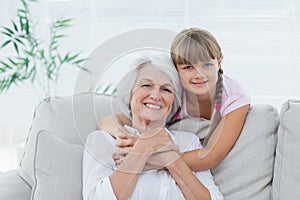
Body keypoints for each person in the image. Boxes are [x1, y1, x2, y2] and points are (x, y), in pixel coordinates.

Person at [99, 28, 251, 172]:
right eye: (188, 67)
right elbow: (108, 120)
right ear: (176, 70)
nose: (199, 75)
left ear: (219, 62)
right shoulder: (172, 95)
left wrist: (146, 161)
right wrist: (123, 136)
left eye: (206, 65)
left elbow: (211, 156)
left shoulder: (234, 96)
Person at [82, 53, 224, 200]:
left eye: (166, 89)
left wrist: (170, 160)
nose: (156, 96)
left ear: (174, 101)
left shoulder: (188, 142)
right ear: (130, 94)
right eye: (146, 85)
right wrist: (144, 146)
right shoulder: (103, 141)